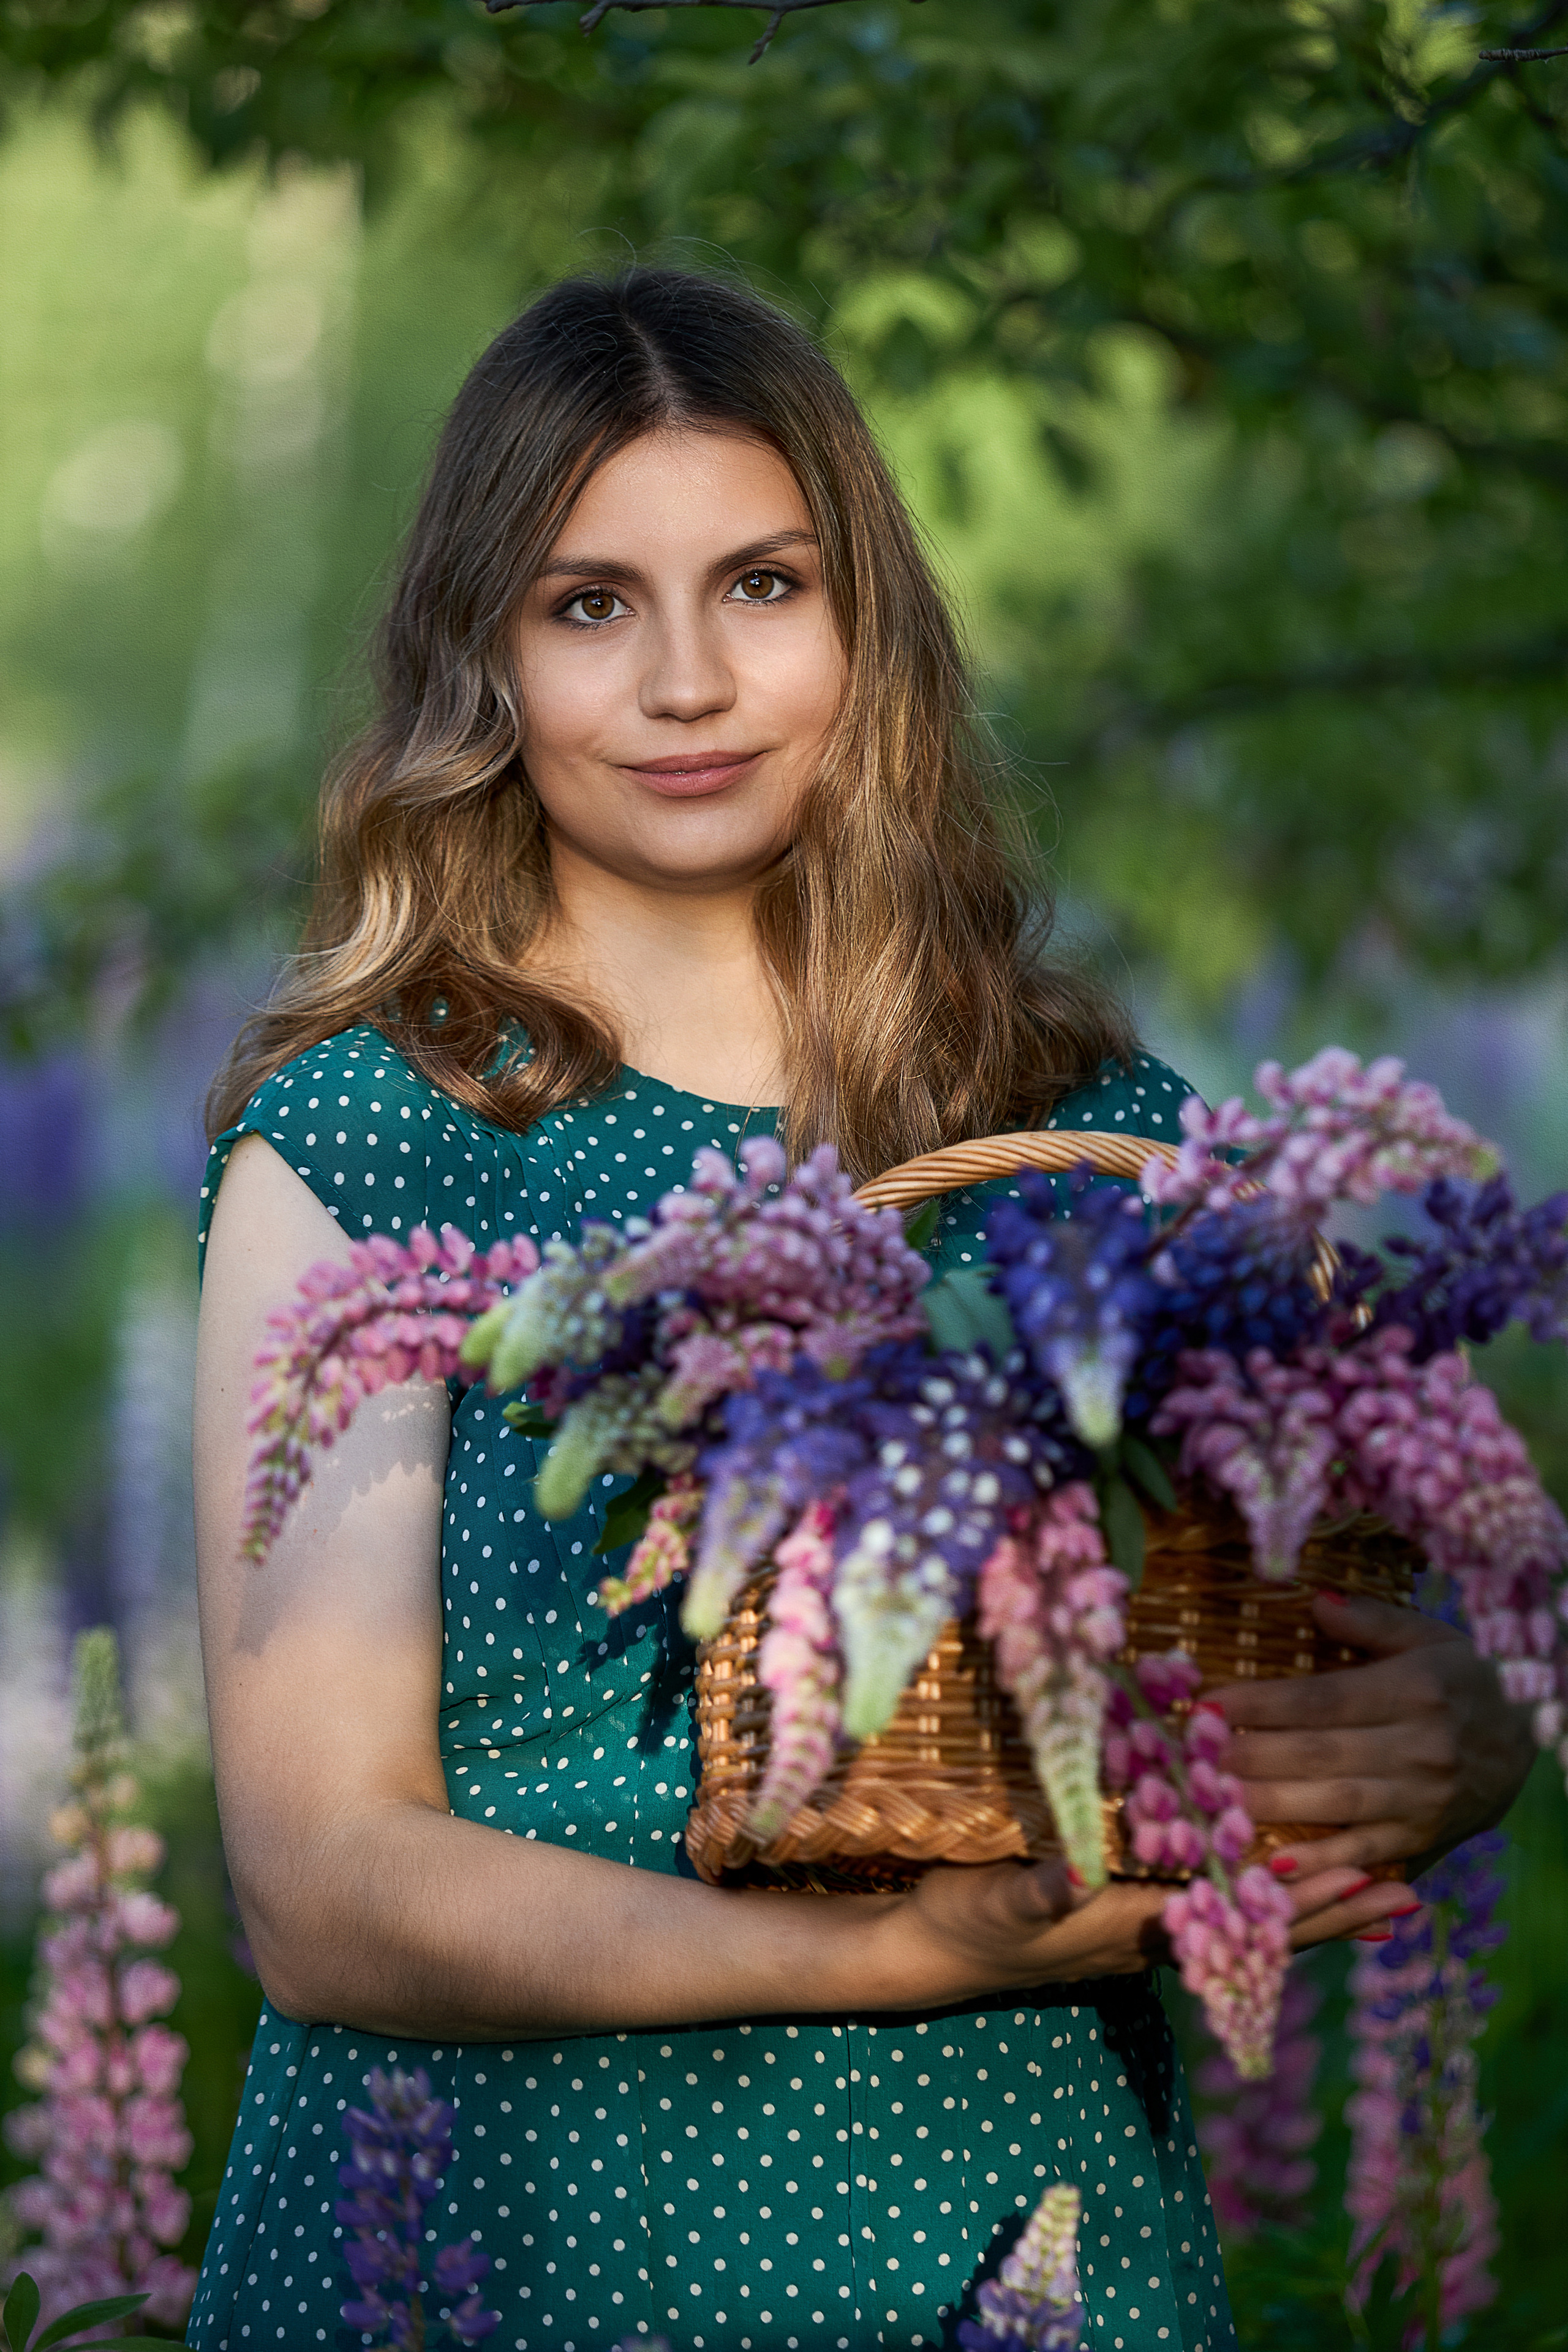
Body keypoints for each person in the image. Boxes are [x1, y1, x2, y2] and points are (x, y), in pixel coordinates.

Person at [189, 269, 1535, 2352]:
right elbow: (320, 1884)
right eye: (587, 605)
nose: (687, 682)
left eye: (762, 582)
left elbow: (1284, 1604)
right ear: (484, 656)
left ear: (864, 624)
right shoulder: (384, 1138)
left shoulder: (1083, 1135)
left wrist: (1453, 1729)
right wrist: (899, 1951)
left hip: (1020, 2220)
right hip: (517, 2241)